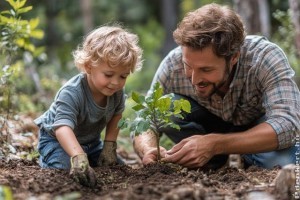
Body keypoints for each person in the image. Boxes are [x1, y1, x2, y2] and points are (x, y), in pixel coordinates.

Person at [133, 3, 300, 170]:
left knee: (283, 163)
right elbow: (146, 116)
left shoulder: (265, 57)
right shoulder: (172, 64)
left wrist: (216, 144)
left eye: (206, 69)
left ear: (234, 57)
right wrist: (147, 149)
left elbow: (287, 124)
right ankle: (211, 161)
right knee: (166, 106)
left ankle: (248, 156)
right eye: (188, 66)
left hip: (257, 130)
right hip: (207, 125)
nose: (195, 79)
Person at [34, 24, 143, 187]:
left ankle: (87, 156)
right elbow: (62, 128)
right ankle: (47, 158)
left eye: (123, 76)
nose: (115, 82)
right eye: (108, 74)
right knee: (64, 170)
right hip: (55, 140)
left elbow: (116, 115)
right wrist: (78, 156)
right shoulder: (72, 92)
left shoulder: (117, 92)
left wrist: (109, 145)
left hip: (91, 143)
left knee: (116, 168)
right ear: (88, 67)